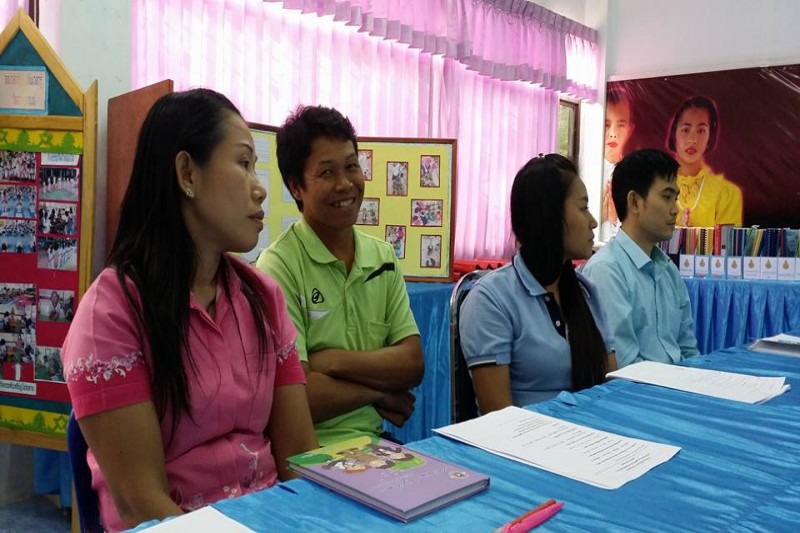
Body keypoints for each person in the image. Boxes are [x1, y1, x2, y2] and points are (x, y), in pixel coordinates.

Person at [60, 89, 317, 532]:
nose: (259, 188)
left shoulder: (264, 297)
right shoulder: (111, 314)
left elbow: (298, 460)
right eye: (243, 163)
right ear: (186, 173)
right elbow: (143, 506)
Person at [256, 105, 424, 447]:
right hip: (309, 453)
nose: (345, 184)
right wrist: (378, 393)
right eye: (327, 172)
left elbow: (412, 364)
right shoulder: (278, 266)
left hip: (377, 445)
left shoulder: (382, 258)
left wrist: (330, 361)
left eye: (351, 166)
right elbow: (298, 399)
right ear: (296, 187)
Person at [459, 154, 617, 413]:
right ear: (549, 215)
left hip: (591, 429)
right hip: (525, 436)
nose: (593, 222)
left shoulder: (586, 292)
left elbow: (610, 389)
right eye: (583, 208)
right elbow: (497, 417)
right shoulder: (491, 299)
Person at [583, 149, 700, 367]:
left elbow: (688, 349)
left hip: (676, 382)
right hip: (640, 387)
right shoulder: (607, 271)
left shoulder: (668, 270)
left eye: (675, 198)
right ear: (635, 202)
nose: (675, 209)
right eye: (667, 197)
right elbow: (625, 367)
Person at [667, 95, 743, 226]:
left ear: (710, 137)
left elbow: (727, 239)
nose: (692, 139)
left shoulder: (727, 194)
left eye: (701, 130)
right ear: (674, 135)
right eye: (685, 130)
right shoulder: (655, 189)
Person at [601, 86, 636, 239]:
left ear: (630, 128)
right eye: (607, 125)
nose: (613, 134)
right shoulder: (587, 171)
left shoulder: (633, 173)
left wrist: (614, 219)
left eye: (620, 125)